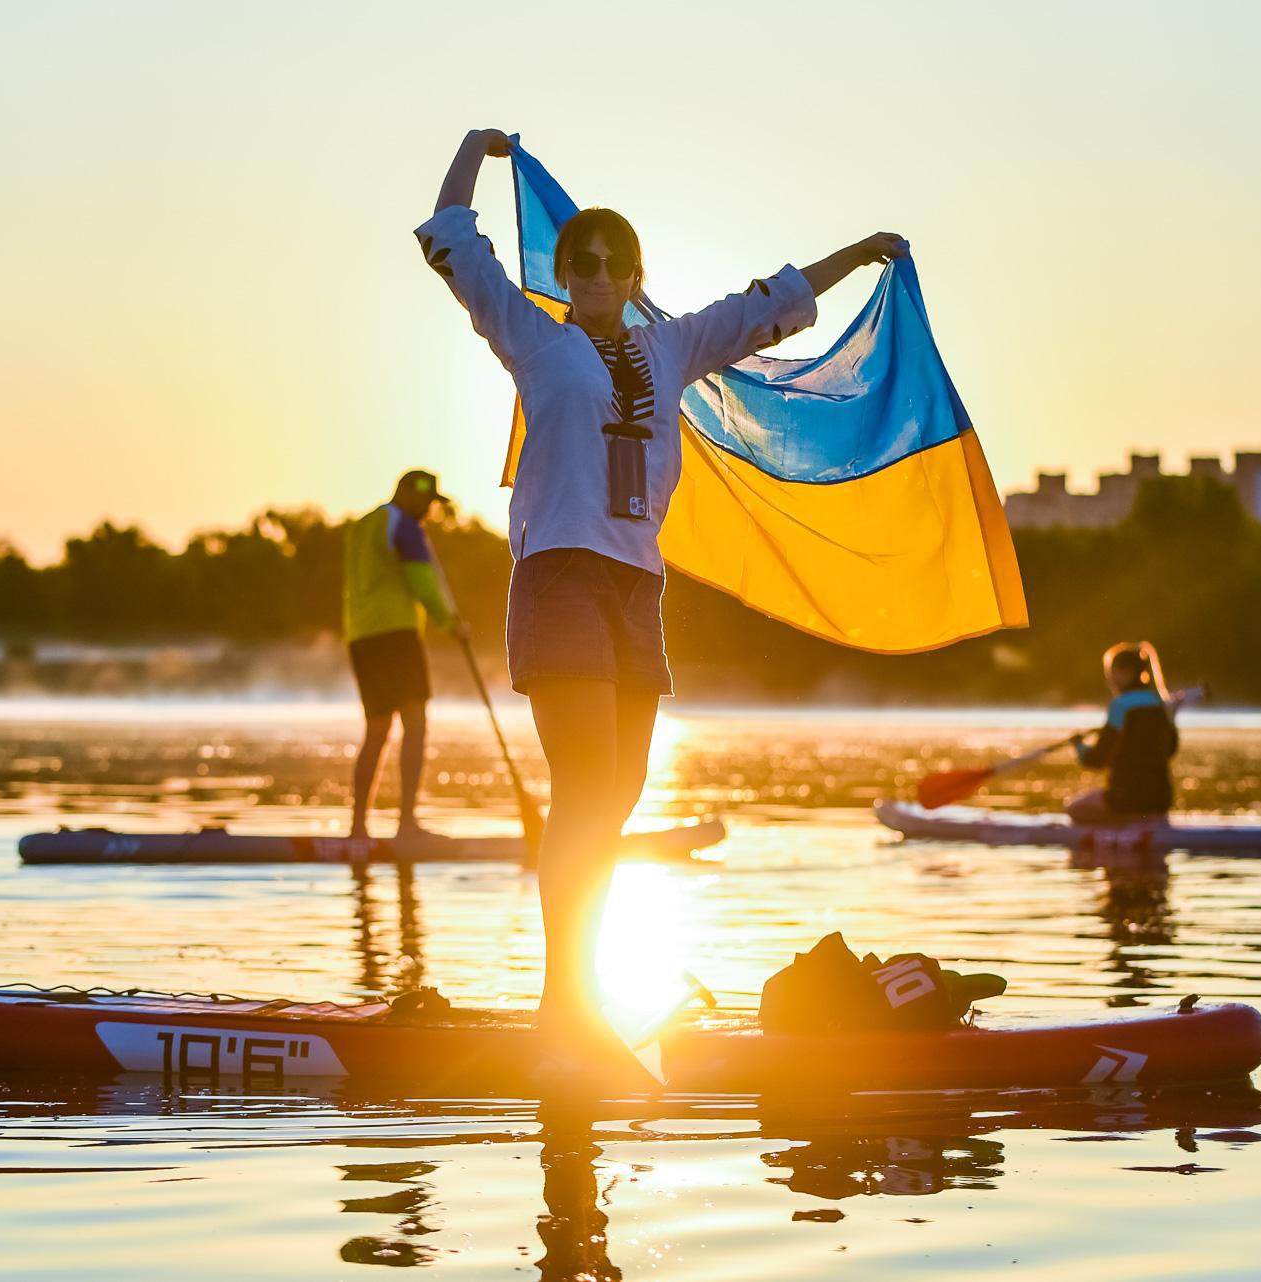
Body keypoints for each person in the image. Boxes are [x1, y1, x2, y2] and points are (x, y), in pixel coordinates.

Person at [418, 127, 908, 1063]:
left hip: (635, 588)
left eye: (612, 263)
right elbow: (451, 239)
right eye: (582, 263)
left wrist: (866, 252)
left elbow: (774, 306)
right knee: (585, 793)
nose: (596, 273)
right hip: (559, 573)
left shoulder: (673, 347)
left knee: (621, 795)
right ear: (565, 274)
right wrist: (474, 153)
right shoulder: (531, 336)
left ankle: (577, 993)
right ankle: (567, 1003)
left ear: (633, 273)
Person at [343, 469, 463, 841]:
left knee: (377, 730)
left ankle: (358, 828)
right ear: (409, 493)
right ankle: (407, 824)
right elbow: (423, 583)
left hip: (361, 637)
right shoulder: (406, 527)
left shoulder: (363, 526)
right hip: (396, 636)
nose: (430, 509)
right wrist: (450, 623)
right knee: (415, 724)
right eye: (427, 501)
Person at [1066, 641, 1179, 823]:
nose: (1109, 680)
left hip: (1125, 798)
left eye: (1112, 674)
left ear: (1126, 672)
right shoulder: (1161, 704)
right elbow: (1171, 750)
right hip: (1161, 800)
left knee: (1074, 809)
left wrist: (1079, 747)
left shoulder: (1121, 705)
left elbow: (1098, 759)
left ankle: (1122, 832)